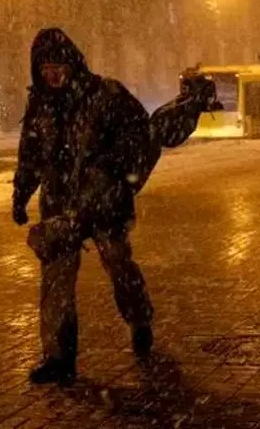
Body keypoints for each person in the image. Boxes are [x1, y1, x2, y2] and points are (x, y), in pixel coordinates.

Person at [11, 27, 214, 386]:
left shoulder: (106, 94)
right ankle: (58, 358)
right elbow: (29, 153)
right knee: (56, 279)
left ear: (72, 63)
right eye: (44, 68)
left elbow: (139, 134)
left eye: (57, 65)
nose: (51, 73)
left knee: (118, 263)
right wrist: (21, 192)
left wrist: (112, 166)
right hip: (60, 204)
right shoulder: (40, 104)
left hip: (104, 201)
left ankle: (139, 319)